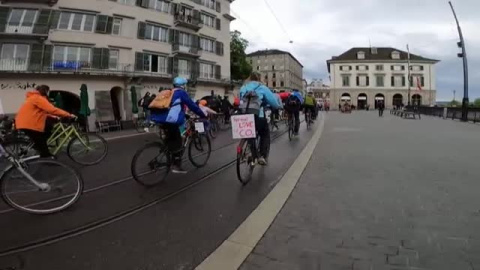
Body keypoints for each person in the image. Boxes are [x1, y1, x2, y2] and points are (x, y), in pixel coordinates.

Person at [151, 77, 206, 174]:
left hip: (162, 119)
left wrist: (184, 114)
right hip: (171, 121)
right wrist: (203, 115)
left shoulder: (170, 92)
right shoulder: (181, 93)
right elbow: (192, 106)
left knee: (170, 141)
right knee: (178, 141)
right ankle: (176, 165)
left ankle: (164, 157)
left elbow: (173, 107)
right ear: (183, 85)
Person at [15, 85, 76, 158]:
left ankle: (40, 150)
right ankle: (47, 158)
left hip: (24, 123)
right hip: (30, 124)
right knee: (42, 144)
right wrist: (68, 115)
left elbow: (44, 113)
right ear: (46, 91)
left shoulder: (32, 98)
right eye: (48, 91)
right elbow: (52, 110)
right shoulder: (38, 98)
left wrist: (56, 116)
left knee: (43, 136)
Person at [239, 72, 281, 166]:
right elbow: (273, 102)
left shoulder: (243, 87)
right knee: (265, 133)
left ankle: (246, 151)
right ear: (259, 78)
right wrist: (277, 106)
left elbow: (240, 101)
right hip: (258, 115)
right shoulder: (262, 87)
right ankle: (262, 156)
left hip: (244, 116)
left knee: (248, 132)